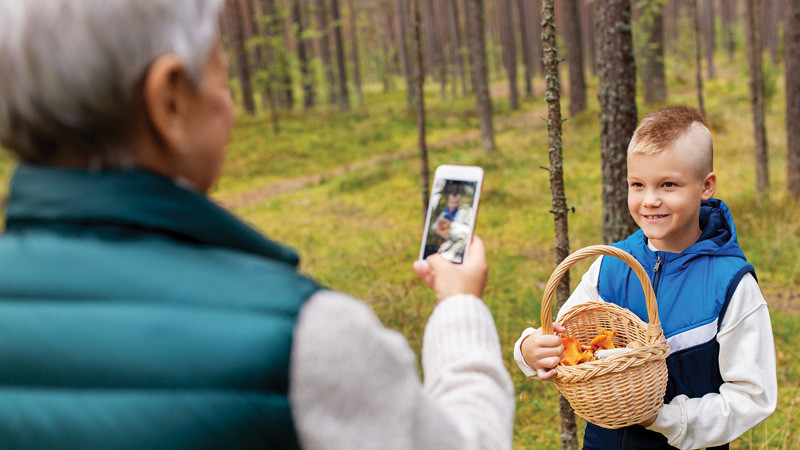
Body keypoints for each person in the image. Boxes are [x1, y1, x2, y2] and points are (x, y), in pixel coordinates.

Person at [0, 1, 514, 448]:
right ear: (169, 100)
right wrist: (460, 308)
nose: (229, 108)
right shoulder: (303, 337)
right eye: (222, 80)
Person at [513, 106, 777, 449]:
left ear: (705, 186)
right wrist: (529, 350)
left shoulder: (729, 284)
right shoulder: (612, 266)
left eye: (668, 184)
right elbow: (564, 337)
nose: (650, 200)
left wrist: (664, 418)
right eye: (637, 184)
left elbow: (751, 396)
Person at [431, 184, 474, 263]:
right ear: (448, 202)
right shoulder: (445, 214)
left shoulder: (461, 213)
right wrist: (442, 231)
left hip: (458, 239)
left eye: (456, 203)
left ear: (458, 203)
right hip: (447, 238)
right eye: (451, 203)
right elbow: (435, 227)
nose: (453, 205)